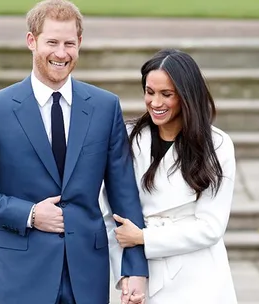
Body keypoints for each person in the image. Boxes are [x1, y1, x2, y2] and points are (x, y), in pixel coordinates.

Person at [0, 1, 148, 303]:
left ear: (79, 43)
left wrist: (134, 268)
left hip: (87, 275)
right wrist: (28, 214)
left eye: (69, 43)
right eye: (52, 42)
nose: (61, 53)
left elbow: (124, 193)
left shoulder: (105, 107)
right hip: (22, 274)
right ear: (32, 41)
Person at [100, 49, 238, 303]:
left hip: (200, 276)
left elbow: (211, 226)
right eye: (149, 92)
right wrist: (127, 274)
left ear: (187, 96)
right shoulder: (128, 139)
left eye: (167, 94)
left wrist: (144, 237)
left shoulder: (217, 144)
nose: (155, 102)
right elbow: (112, 215)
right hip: (145, 274)